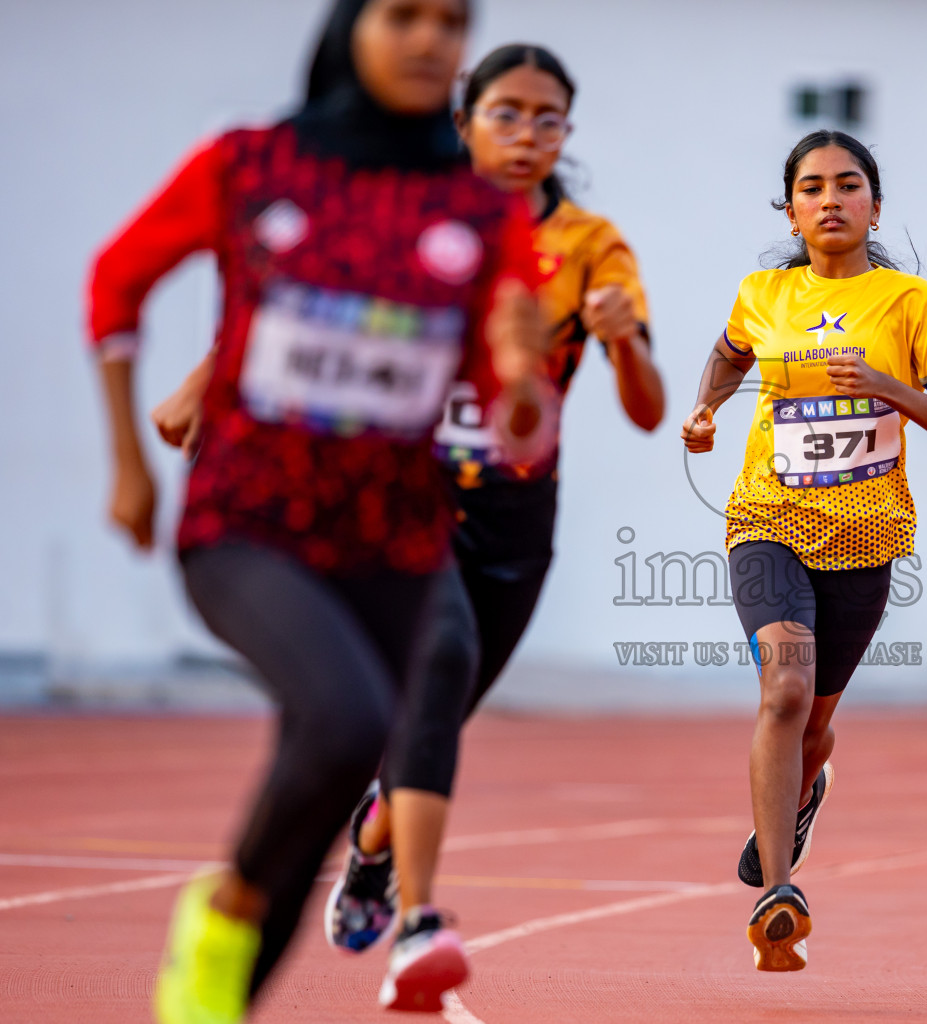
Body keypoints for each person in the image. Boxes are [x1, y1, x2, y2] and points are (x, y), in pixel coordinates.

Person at [86, 0, 548, 1018]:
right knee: (348, 721)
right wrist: (129, 458)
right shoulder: (251, 164)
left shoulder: (480, 213)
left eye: (452, 21)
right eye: (406, 17)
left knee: (339, 757)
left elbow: (512, 414)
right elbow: (115, 285)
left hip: (393, 539)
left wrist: (522, 381)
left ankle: (212, 1000)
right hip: (250, 526)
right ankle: (225, 907)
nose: (433, 40)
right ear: (353, 30)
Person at [319, 41, 665, 955]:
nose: (526, 134)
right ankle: (418, 921)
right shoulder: (418, 219)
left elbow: (647, 412)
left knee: (442, 709)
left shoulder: (592, 246)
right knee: (433, 681)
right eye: (505, 113)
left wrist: (626, 343)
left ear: (567, 134)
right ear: (463, 121)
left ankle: (372, 845)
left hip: (515, 519)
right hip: (410, 501)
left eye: (547, 118)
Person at [680, 130, 927, 971]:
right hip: (766, 519)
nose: (830, 200)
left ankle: (806, 791)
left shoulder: (911, 303)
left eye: (848, 186)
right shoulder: (763, 292)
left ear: (874, 205)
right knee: (784, 688)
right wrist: (706, 410)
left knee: (813, 723)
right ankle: (779, 894)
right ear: (792, 210)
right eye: (811, 188)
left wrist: (890, 387)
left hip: (866, 533)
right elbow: (727, 351)